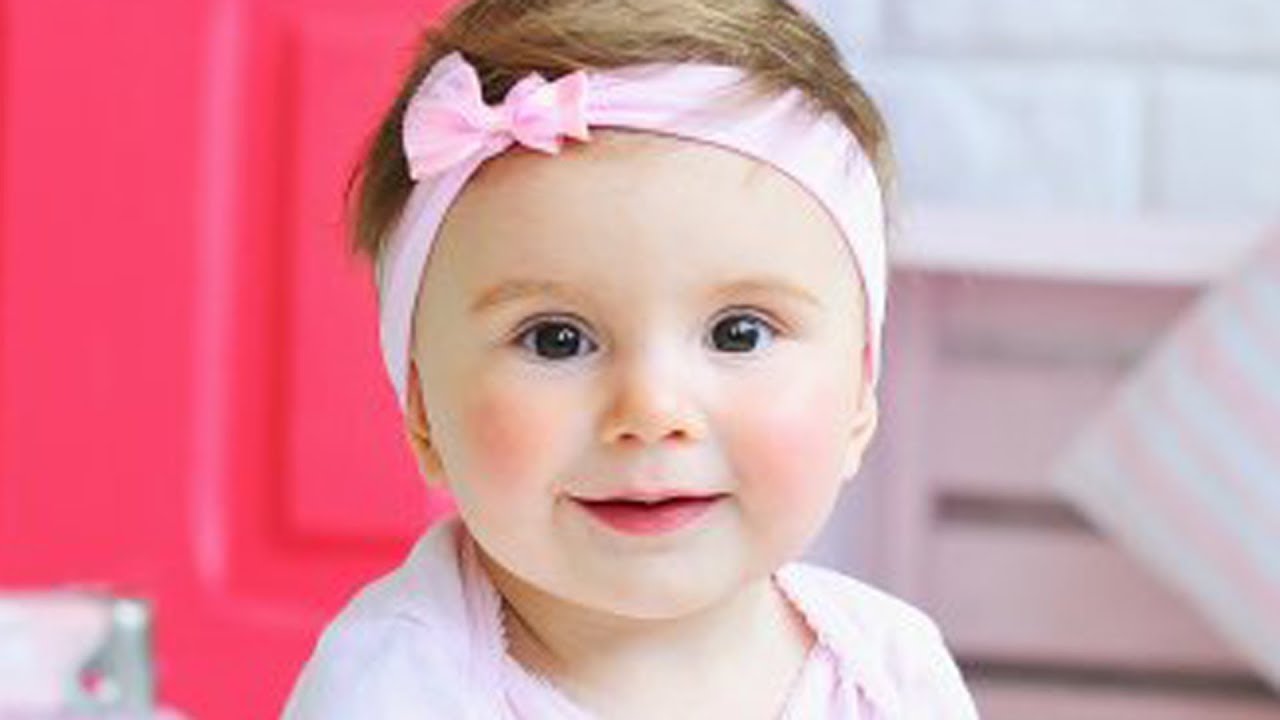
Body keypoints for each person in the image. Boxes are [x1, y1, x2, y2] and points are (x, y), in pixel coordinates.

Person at [282, 0, 981, 717]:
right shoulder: (395, 693)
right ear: (424, 412)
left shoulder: (891, 673)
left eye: (739, 333)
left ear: (860, 392)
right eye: (556, 340)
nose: (651, 411)